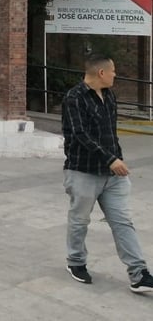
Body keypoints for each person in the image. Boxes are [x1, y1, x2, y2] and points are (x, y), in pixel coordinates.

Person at [62, 52, 153, 293]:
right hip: (83, 172)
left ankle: (139, 273)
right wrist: (110, 159)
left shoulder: (110, 96)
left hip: (113, 176)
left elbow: (111, 134)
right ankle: (76, 262)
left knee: (123, 221)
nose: (115, 75)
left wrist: (117, 157)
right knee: (80, 221)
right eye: (112, 71)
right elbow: (80, 135)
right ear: (101, 72)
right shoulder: (74, 97)